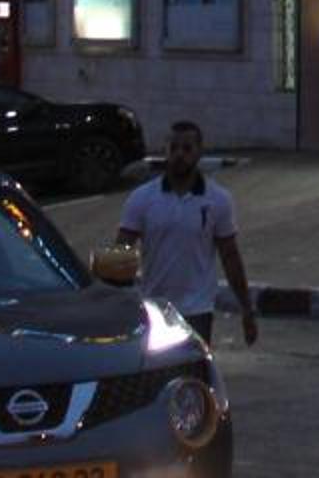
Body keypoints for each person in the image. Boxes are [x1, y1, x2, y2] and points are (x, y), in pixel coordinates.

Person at [107, 120, 258, 347]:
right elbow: (121, 251)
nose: (179, 155)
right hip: (155, 308)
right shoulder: (142, 198)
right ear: (165, 151)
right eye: (173, 148)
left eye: (187, 148)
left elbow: (230, 256)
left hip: (198, 310)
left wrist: (246, 309)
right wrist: (111, 305)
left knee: (193, 368)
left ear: (199, 152)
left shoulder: (218, 200)